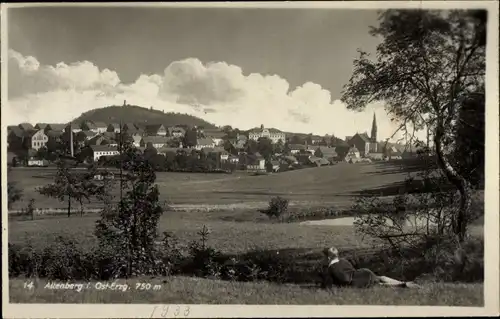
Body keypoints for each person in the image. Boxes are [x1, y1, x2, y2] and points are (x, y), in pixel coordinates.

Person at [321, 246, 420, 289]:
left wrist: (327, 285)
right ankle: (402, 282)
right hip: (363, 272)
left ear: (328, 258)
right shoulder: (343, 260)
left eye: (323, 258)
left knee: (378, 285)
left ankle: (401, 286)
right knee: (380, 278)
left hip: (356, 280)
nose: (322, 260)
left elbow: (344, 279)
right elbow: (351, 270)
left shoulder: (331, 268)